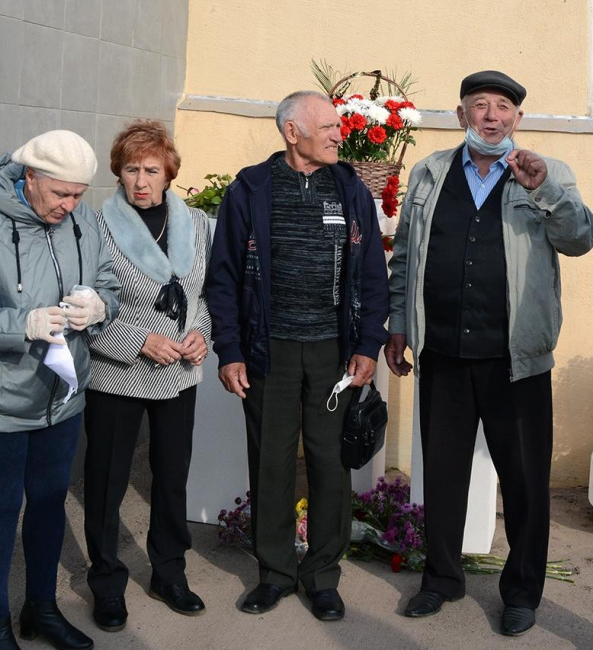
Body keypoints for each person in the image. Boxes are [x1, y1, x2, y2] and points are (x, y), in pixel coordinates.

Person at [385, 70, 593, 637]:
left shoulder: (545, 174)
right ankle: (442, 579)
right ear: (461, 116)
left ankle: (522, 591)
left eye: (503, 107)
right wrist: (399, 323)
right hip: (445, 355)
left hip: (517, 360)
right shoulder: (431, 173)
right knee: (445, 473)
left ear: (517, 120)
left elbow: (582, 239)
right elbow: (405, 254)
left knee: (525, 480)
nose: (492, 115)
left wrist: (545, 187)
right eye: (480, 105)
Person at [0, 130, 121, 650]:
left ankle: (42, 609)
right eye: (60, 194)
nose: (71, 205)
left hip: (60, 391)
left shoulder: (82, 220)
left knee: (51, 499)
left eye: (79, 194)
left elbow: (107, 282)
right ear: (29, 177)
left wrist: (99, 306)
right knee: (1, 504)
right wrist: (23, 323)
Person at [206, 90, 389, 621]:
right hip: (270, 352)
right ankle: (276, 573)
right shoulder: (251, 189)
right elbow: (224, 279)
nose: (339, 134)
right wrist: (230, 350)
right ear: (293, 132)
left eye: (339, 126)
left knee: (331, 463)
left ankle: (323, 576)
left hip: (334, 354)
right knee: (271, 459)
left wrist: (367, 345)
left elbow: (373, 275)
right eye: (329, 126)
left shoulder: (350, 188)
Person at [81, 120, 212, 632]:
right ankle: (107, 583)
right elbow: (84, 307)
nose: (141, 180)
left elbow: (203, 296)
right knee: (106, 482)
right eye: (131, 168)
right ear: (119, 171)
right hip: (117, 375)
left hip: (180, 370)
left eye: (151, 169)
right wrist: (139, 341)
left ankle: (168, 572)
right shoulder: (95, 226)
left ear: (169, 173)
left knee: (172, 476)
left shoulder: (197, 223)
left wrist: (202, 334)